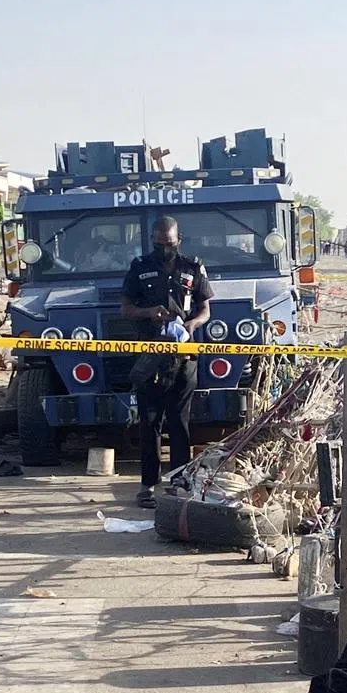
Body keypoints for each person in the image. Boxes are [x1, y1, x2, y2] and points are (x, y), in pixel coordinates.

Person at [121, 216, 213, 508]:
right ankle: (148, 485)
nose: (165, 249)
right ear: (152, 241)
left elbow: (205, 309)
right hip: (150, 357)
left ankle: (179, 481)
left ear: (179, 240)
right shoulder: (140, 268)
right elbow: (126, 308)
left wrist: (192, 325)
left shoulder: (193, 267)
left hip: (184, 357)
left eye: (170, 244)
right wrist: (149, 313)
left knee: (180, 422)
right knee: (149, 423)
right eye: (160, 244)